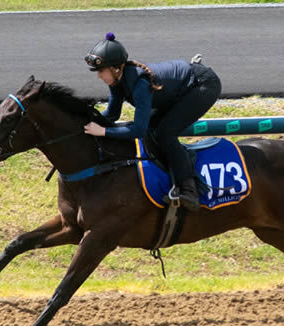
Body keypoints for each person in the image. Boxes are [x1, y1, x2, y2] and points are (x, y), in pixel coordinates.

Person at [83, 32, 222, 212]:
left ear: (116, 68)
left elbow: (138, 130)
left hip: (202, 85)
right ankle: (169, 175)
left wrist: (103, 132)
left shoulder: (140, 84)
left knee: (165, 133)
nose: (99, 76)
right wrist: (86, 122)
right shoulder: (117, 82)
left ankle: (189, 189)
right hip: (180, 88)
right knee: (154, 130)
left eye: (101, 71)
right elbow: (112, 114)